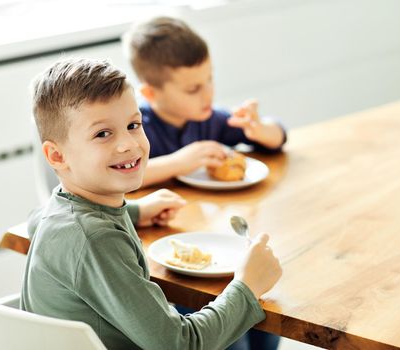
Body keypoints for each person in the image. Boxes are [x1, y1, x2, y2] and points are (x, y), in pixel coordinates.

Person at [20, 57, 282, 350]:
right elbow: (179, 345)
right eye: (102, 134)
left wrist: (136, 211)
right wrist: (247, 286)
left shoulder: (61, 211)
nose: (129, 144)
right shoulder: (97, 239)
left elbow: (35, 218)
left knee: (257, 325)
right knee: (249, 313)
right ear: (57, 156)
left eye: (133, 125)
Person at [123, 16, 287, 187]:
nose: (209, 94)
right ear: (150, 93)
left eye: (209, 79)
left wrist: (260, 129)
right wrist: (177, 163)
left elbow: (279, 136)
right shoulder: (134, 129)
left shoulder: (211, 119)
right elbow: (114, 179)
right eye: (193, 89)